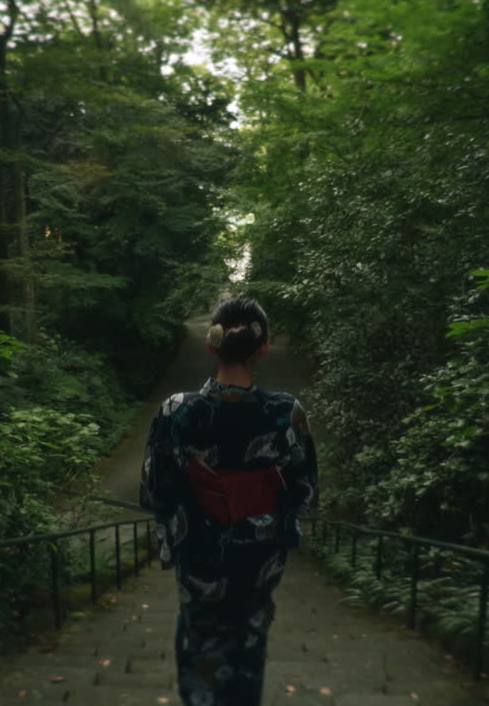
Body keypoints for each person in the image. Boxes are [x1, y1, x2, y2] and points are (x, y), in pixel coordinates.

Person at [140, 297, 317, 706]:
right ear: (264, 347)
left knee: (200, 635)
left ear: (211, 346)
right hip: (260, 549)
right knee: (249, 638)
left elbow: (157, 489)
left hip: (197, 545)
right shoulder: (286, 410)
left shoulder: (178, 409)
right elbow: (303, 489)